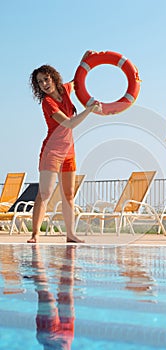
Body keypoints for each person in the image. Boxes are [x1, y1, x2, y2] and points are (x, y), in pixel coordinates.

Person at [27, 51, 102, 243]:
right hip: (51, 152)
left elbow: (77, 79)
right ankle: (35, 234)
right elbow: (69, 123)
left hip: (69, 152)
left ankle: (71, 235)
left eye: (45, 79)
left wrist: (85, 61)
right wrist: (89, 110)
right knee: (45, 193)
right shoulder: (48, 103)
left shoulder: (65, 91)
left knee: (68, 195)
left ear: (53, 77)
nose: (44, 84)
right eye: (40, 82)